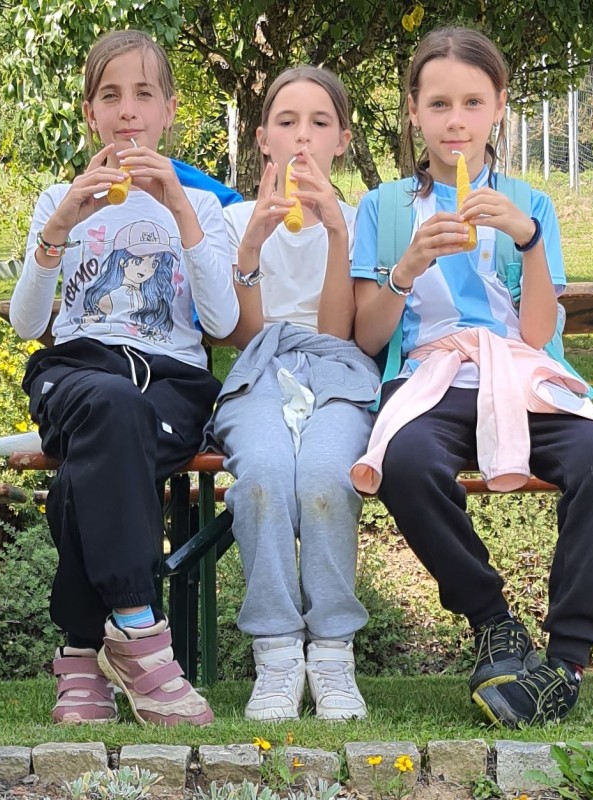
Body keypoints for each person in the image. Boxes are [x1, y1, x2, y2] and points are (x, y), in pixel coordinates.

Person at [349, 27, 593, 727]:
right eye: (438, 105)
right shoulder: (383, 208)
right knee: (405, 462)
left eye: (471, 103)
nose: (455, 122)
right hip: (429, 376)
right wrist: (407, 267)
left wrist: (529, 240)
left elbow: (540, 333)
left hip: (521, 373)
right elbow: (368, 335)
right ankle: (492, 621)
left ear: (498, 108)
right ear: (414, 112)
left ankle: (565, 660)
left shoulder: (529, 204)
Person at [10, 29, 239, 726]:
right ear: (90, 113)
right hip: (77, 371)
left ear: (170, 110)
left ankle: (82, 650)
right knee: (108, 405)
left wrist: (176, 209)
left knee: (98, 456)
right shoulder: (60, 196)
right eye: (110, 95)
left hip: (171, 383)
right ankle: (139, 634)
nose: (128, 110)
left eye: (144, 94)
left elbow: (223, 319)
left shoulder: (199, 206)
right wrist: (61, 224)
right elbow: (27, 323)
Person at [205, 66, 380, 721]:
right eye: (286, 123)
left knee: (326, 478)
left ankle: (332, 654)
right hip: (257, 370)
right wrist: (253, 240)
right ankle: (277, 655)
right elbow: (245, 334)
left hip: (336, 371)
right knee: (262, 476)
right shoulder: (229, 220)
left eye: (318, 123)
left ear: (341, 139)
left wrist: (335, 232)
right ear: (262, 140)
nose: (301, 139)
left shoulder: (362, 220)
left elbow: (340, 334)